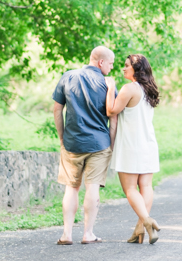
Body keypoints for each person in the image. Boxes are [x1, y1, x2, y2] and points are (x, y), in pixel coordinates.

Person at [52, 46, 117, 245]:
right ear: (101, 62)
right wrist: (111, 145)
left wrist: (62, 138)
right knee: (92, 187)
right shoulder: (107, 84)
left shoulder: (68, 76)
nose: (112, 67)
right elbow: (113, 118)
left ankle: (67, 234)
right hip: (99, 144)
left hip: (72, 143)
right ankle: (88, 233)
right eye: (111, 63)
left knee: (71, 188)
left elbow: (56, 110)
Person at [105, 54, 161, 244]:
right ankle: (140, 228)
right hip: (149, 144)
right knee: (145, 186)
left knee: (129, 188)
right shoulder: (148, 89)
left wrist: (111, 87)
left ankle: (146, 221)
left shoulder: (129, 89)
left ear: (136, 70)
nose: (123, 68)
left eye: (127, 66)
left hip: (131, 145)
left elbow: (111, 110)